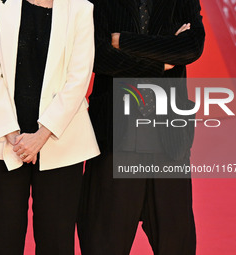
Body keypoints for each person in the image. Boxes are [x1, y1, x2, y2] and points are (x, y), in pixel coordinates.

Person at [78, 0, 205, 254]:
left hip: (168, 139)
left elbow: (191, 47)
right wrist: (160, 62)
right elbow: (98, 55)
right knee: (102, 242)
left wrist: (124, 41)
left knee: (177, 243)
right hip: (115, 134)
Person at [0, 0, 99, 254]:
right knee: (3, 241)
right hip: (3, 140)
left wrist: (42, 134)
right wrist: (12, 133)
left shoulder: (80, 8)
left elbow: (79, 77)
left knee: (56, 242)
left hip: (62, 141)